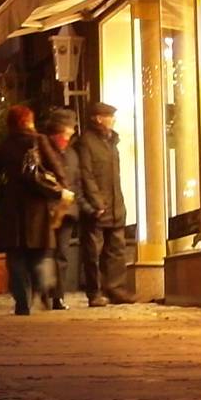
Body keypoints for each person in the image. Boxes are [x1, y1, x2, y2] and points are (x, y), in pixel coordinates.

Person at [0, 106, 78, 314]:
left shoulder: (5, 145)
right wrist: (62, 188)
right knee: (41, 253)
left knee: (16, 257)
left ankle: (22, 302)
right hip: (38, 206)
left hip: (13, 205)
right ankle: (44, 291)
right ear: (29, 121)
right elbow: (56, 167)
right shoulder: (39, 141)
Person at [68, 100, 135, 306]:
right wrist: (96, 202)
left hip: (115, 205)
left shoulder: (112, 142)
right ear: (98, 119)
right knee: (93, 253)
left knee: (117, 250)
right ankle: (94, 292)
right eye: (109, 116)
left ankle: (116, 290)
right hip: (98, 206)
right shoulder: (86, 142)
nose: (113, 120)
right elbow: (85, 175)